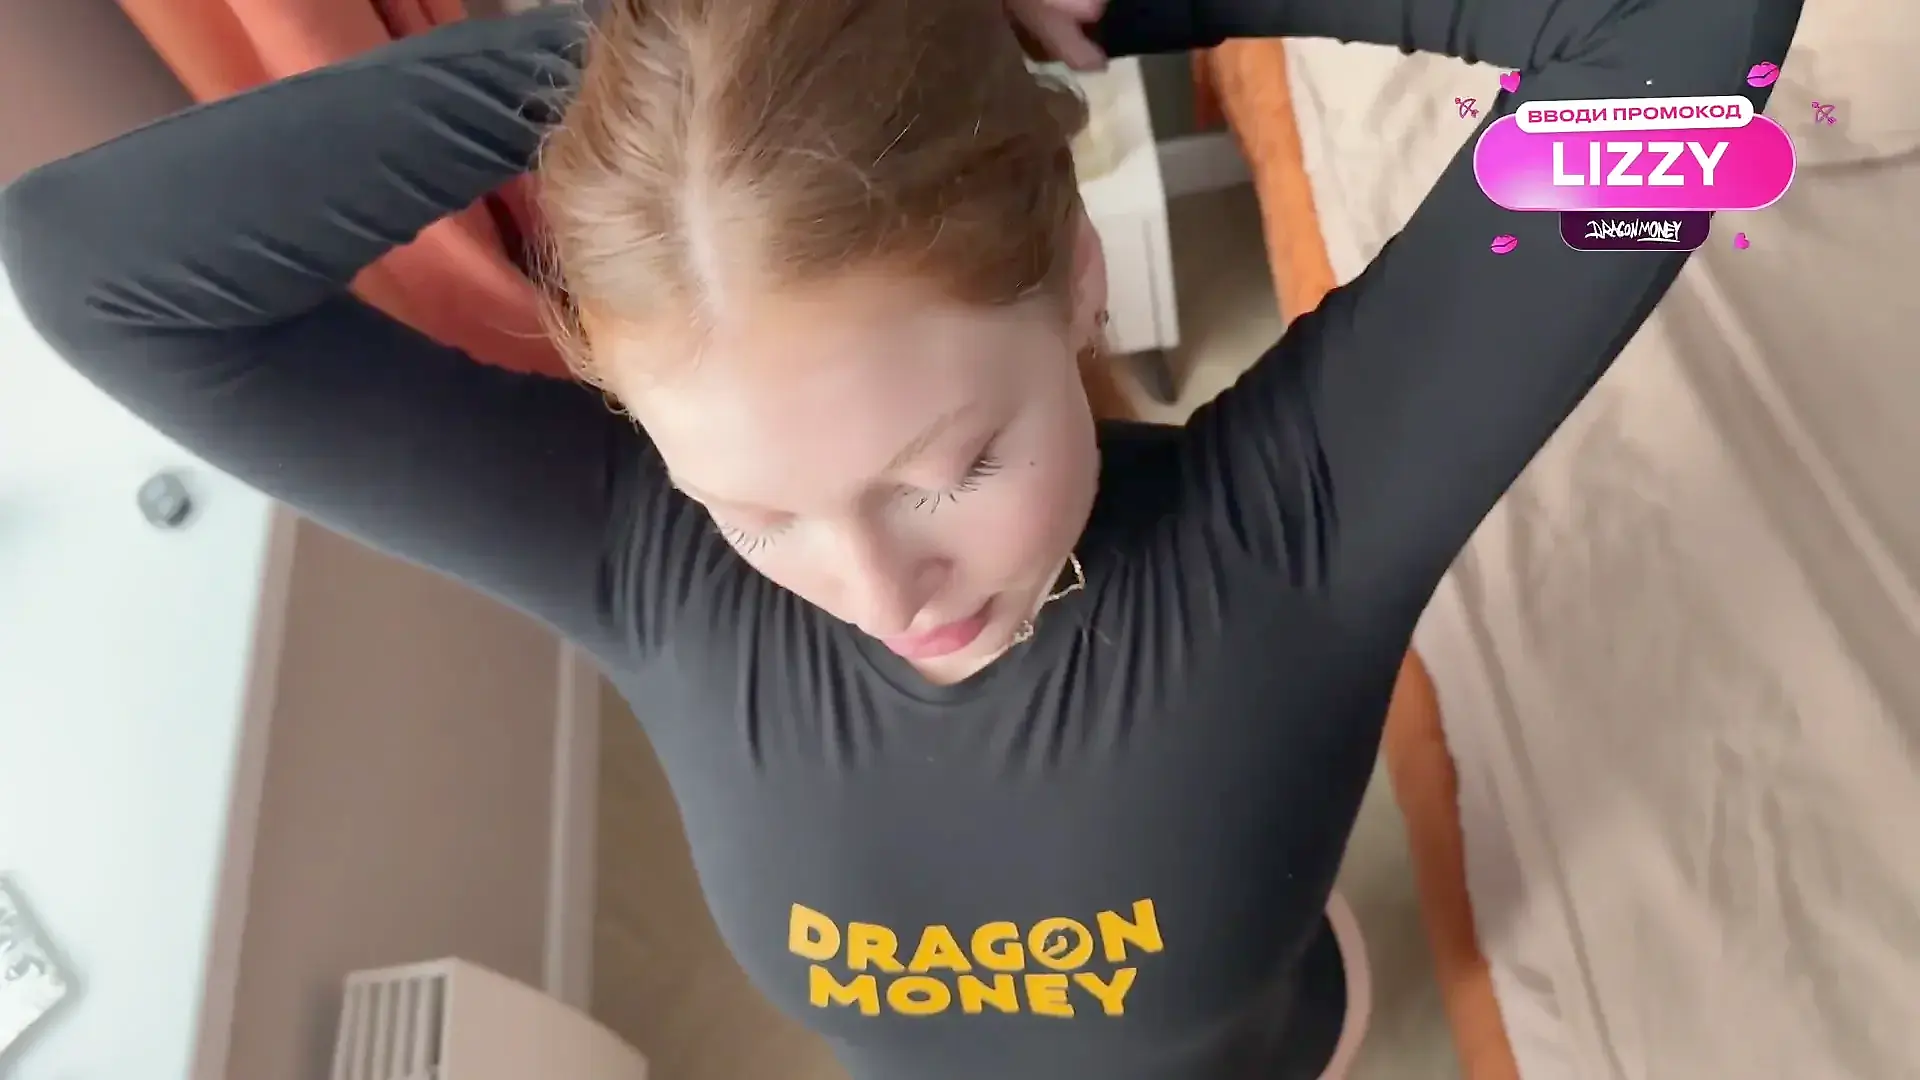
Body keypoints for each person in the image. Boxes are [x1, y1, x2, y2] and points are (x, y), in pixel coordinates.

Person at [0, 0, 1800, 1075]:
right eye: (756, 509)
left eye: (949, 468)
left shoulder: (1297, 536)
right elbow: (90, 273)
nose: (878, 592)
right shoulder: (636, 557)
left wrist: (953, 33)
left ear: (1075, 277)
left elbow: (1677, 43)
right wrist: (648, 61)